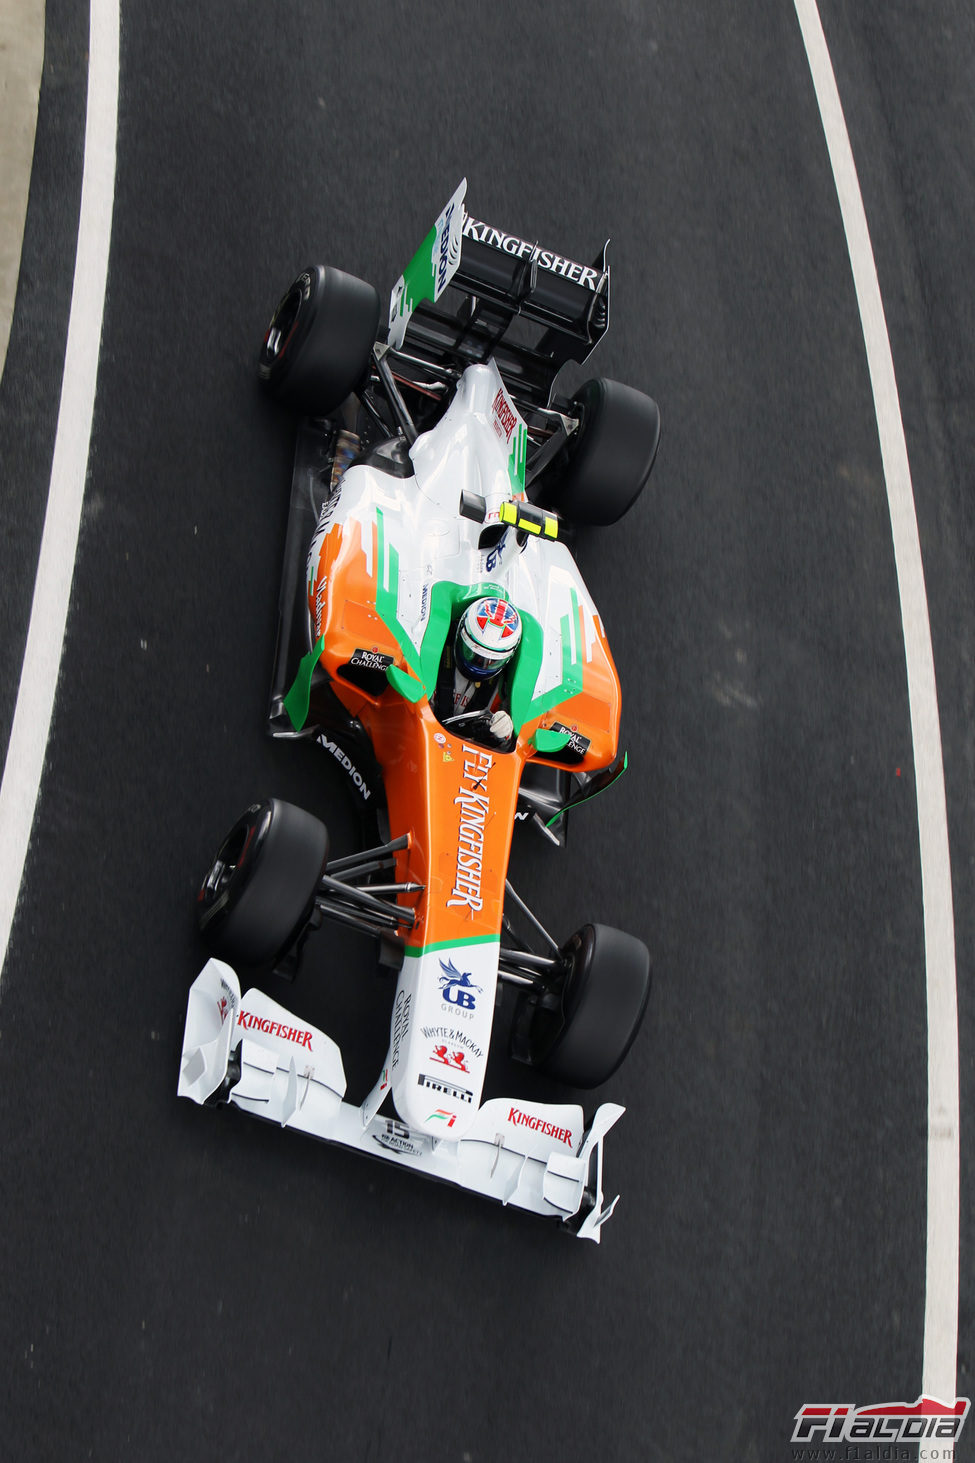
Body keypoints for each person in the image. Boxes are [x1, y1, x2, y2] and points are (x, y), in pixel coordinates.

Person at [436, 596, 522, 748]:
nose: (481, 665)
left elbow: (508, 748)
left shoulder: (504, 690)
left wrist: (503, 733)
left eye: (493, 661)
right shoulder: (436, 655)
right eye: (474, 654)